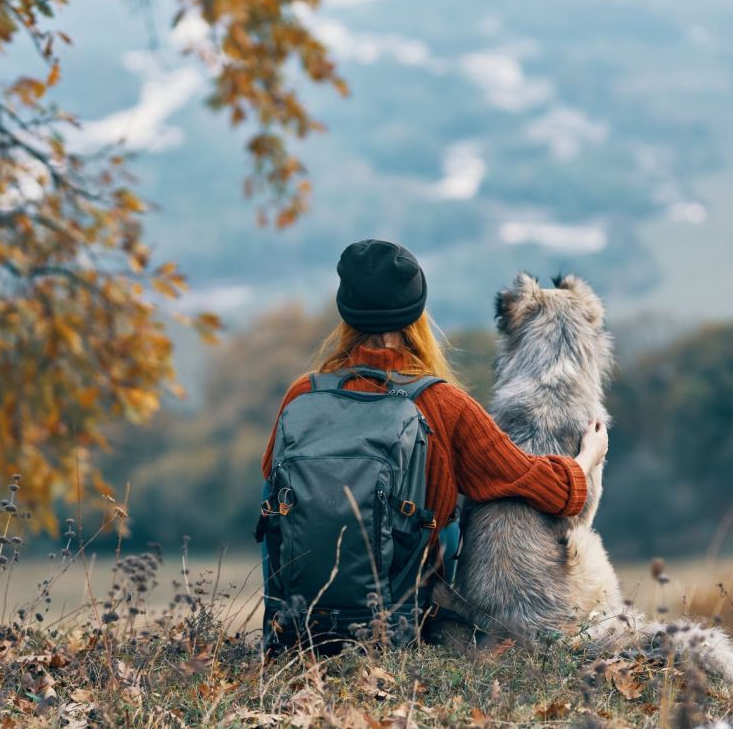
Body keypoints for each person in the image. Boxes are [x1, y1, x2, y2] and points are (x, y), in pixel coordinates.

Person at [260, 239, 608, 641]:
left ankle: (282, 619)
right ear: (416, 314)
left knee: (278, 493)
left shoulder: (302, 394)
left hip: (299, 628)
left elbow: (272, 489)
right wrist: (586, 459)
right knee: (452, 508)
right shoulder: (444, 403)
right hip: (396, 626)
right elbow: (536, 484)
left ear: (346, 313)